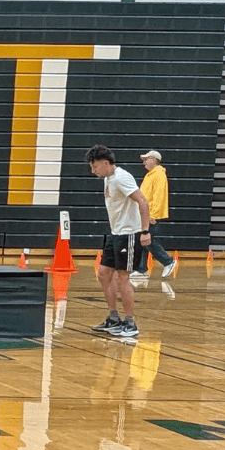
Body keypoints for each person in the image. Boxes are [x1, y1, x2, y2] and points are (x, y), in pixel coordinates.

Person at [86, 145, 151, 339]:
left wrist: (145, 230)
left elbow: (142, 201)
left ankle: (130, 323)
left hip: (129, 234)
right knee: (104, 274)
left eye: (95, 166)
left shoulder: (122, 177)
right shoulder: (108, 178)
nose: (93, 171)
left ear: (106, 163)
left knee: (123, 277)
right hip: (116, 233)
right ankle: (113, 318)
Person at [135, 150, 175, 278]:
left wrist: (152, 215)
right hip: (145, 214)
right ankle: (141, 269)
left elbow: (158, 196)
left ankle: (168, 261)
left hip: (150, 215)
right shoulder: (150, 175)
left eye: (146, 159)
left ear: (153, 159)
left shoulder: (158, 174)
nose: (144, 162)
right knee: (142, 241)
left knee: (149, 241)